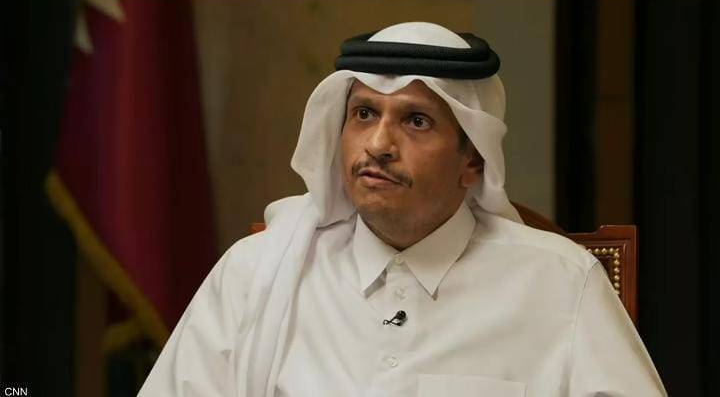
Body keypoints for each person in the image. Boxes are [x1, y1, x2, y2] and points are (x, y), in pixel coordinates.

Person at [138, 22, 666, 397]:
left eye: (416, 121)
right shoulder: (256, 272)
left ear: (473, 160)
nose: (378, 145)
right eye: (364, 114)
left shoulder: (560, 283)